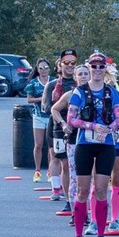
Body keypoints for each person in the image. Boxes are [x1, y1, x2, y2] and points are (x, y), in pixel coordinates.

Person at [61, 57, 119, 237]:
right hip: (85, 143)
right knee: (82, 190)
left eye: (100, 67)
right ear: (89, 68)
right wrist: (93, 126)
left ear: (105, 69)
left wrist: (109, 128)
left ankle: (101, 236)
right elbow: (71, 118)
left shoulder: (111, 92)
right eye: (94, 66)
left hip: (105, 144)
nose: (97, 70)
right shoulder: (79, 92)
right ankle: (78, 235)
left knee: (102, 189)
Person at [43, 50, 78, 207]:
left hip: (78, 127)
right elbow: (47, 107)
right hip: (57, 126)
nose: (70, 66)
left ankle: (77, 195)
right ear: (60, 64)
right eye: (67, 63)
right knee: (62, 162)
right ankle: (65, 196)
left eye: (73, 63)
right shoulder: (52, 85)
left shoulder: (82, 83)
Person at [25, 59, 51, 183]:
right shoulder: (33, 83)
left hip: (51, 116)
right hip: (39, 116)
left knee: (51, 146)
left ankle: (51, 171)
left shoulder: (54, 81)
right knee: (38, 144)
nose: (43, 70)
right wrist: (42, 98)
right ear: (37, 69)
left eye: (46, 67)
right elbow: (29, 100)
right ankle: (37, 170)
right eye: (41, 68)